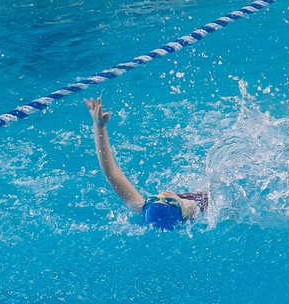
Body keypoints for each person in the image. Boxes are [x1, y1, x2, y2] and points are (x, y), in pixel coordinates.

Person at [86, 95, 211, 227]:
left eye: (154, 199)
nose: (162, 195)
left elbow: (112, 174)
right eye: (168, 200)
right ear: (178, 210)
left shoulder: (143, 208)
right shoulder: (207, 211)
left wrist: (99, 127)